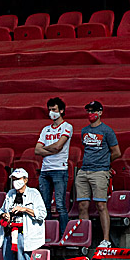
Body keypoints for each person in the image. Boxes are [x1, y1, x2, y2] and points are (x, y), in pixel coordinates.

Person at [0, 168, 46, 260]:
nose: (16, 182)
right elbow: (0, 211)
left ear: (25, 179)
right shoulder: (10, 194)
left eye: (19, 179)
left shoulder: (34, 194)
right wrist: (3, 216)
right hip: (8, 234)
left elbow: (42, 213)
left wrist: (25, 210)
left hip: (24, 235)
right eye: (14, 179)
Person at [75, 101, 120, 248]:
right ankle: (84, 238)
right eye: (88, 111)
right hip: (84, 170)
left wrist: (105, 163)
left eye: (93, 111)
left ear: (100, 112)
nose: (90, 113)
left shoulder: (107, 131)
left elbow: (116, 152)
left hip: (100, 171)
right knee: (82, 205)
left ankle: (106, 240)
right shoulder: (84, 131)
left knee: (101, 204)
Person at [35, 97, 74, 231]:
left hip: (59, 169)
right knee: (45, 205)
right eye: (50, 110)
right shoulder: (45, 129)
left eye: (54, 110)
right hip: (45, 170)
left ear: (61, 111)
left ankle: (63, 235)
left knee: (60, 205)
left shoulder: (67, 126)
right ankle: (47, 233)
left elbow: (59, 146)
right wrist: (50, 149)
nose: (51, 112)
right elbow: (36, 150)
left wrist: (45, 149)